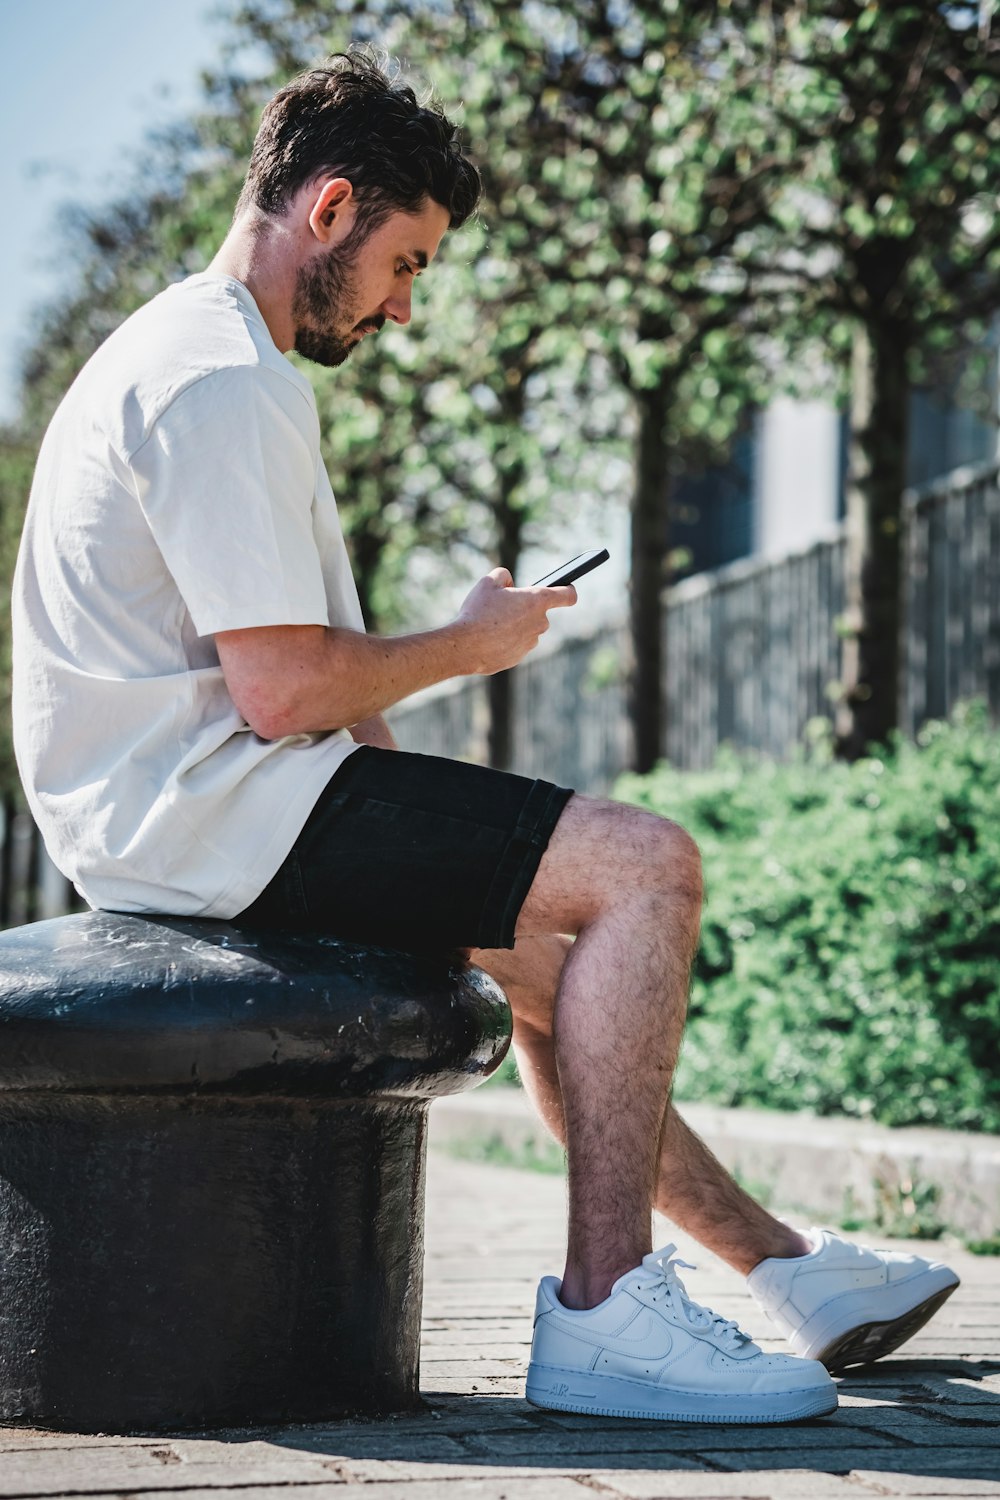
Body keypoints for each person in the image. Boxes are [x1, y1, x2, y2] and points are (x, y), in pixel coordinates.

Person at [12, 50, 958, 1426]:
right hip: (205, 818)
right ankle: (601, 1311)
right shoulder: (218, 380)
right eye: (407, 262)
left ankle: (791, 1275)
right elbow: (284, 692)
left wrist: (438, 820)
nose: (404, 306)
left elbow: (298, 679)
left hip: (211, 805)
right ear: (330, 208)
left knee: (567, 955)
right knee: (647, 868)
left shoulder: (207, 355)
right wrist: (479, 639)